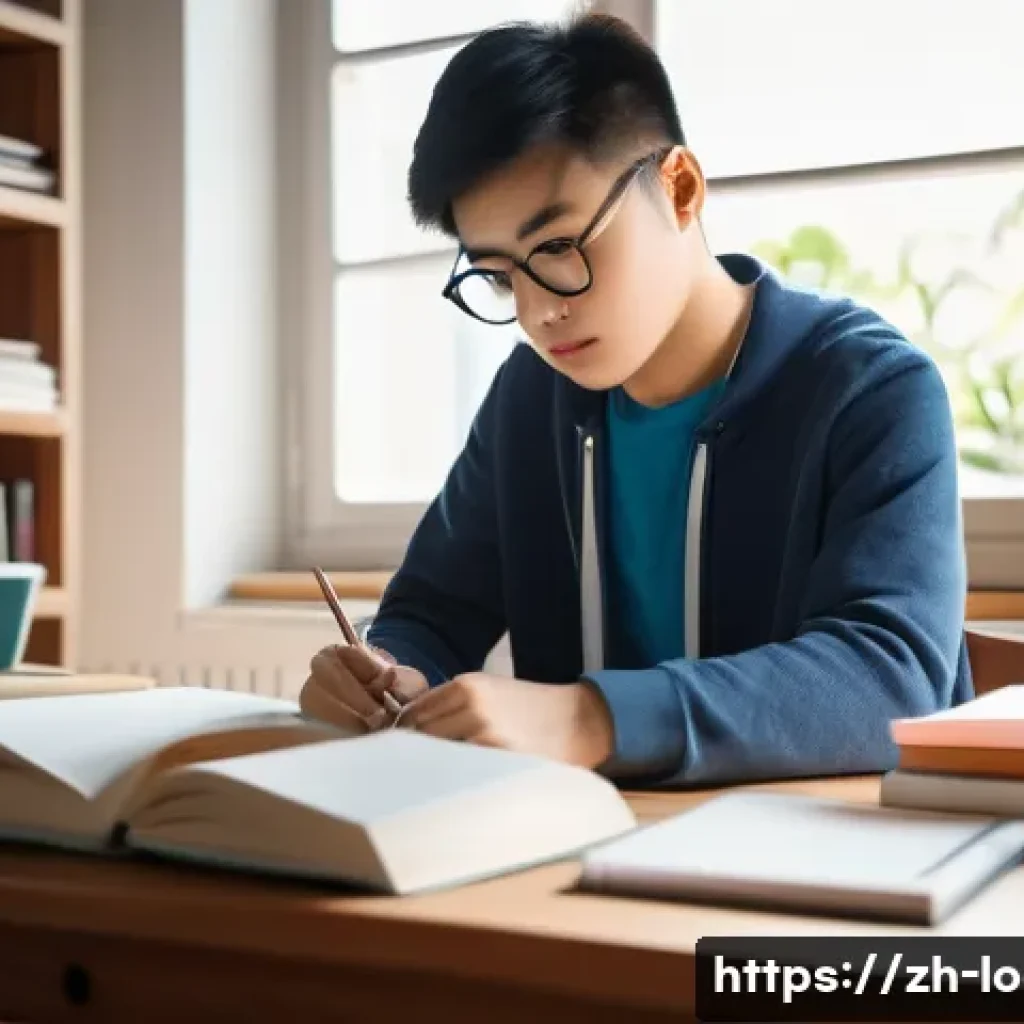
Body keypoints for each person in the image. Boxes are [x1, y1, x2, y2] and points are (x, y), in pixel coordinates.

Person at [299, 12, 971, 786]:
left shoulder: (871, 391)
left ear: (680, 188)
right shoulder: (530, 400)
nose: (536, 310)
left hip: (823, 866)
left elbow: (891, 680)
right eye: (497, 274)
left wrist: (587, 717)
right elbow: (434, 609)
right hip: (587, 856)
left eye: (558, 248)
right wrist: (386, 671)